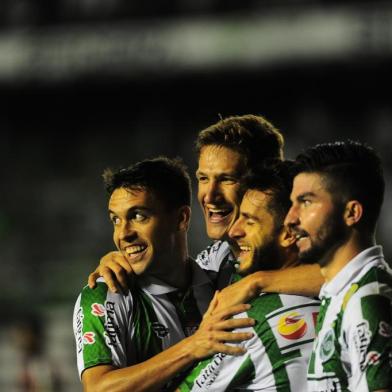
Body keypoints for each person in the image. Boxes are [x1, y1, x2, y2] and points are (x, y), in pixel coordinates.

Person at [88, 114, 324, 302]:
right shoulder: (216, 261)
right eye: (203, 179)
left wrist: (258, 282)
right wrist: (120, 260)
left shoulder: (303, 240)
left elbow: (351, 272)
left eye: (226, 179)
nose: (209, 196)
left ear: (261, 181)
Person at [73, 157, 255, 392]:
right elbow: (99, 388)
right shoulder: (106, 294)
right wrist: (193, 346)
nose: (123, 234)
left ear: (181, 219)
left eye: (138, 216)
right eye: (116, 220)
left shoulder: (221, 282)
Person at [177, 161, 320, 391]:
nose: (234, 231)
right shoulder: (343, 293)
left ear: (288, 234)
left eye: (250, 221)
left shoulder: (247, 321)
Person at [285, 140, 392, 391]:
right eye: (292, 203)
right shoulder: (342, 292)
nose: (290, 218)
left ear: (352, 213)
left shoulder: (368, 300)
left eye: (306, 202)